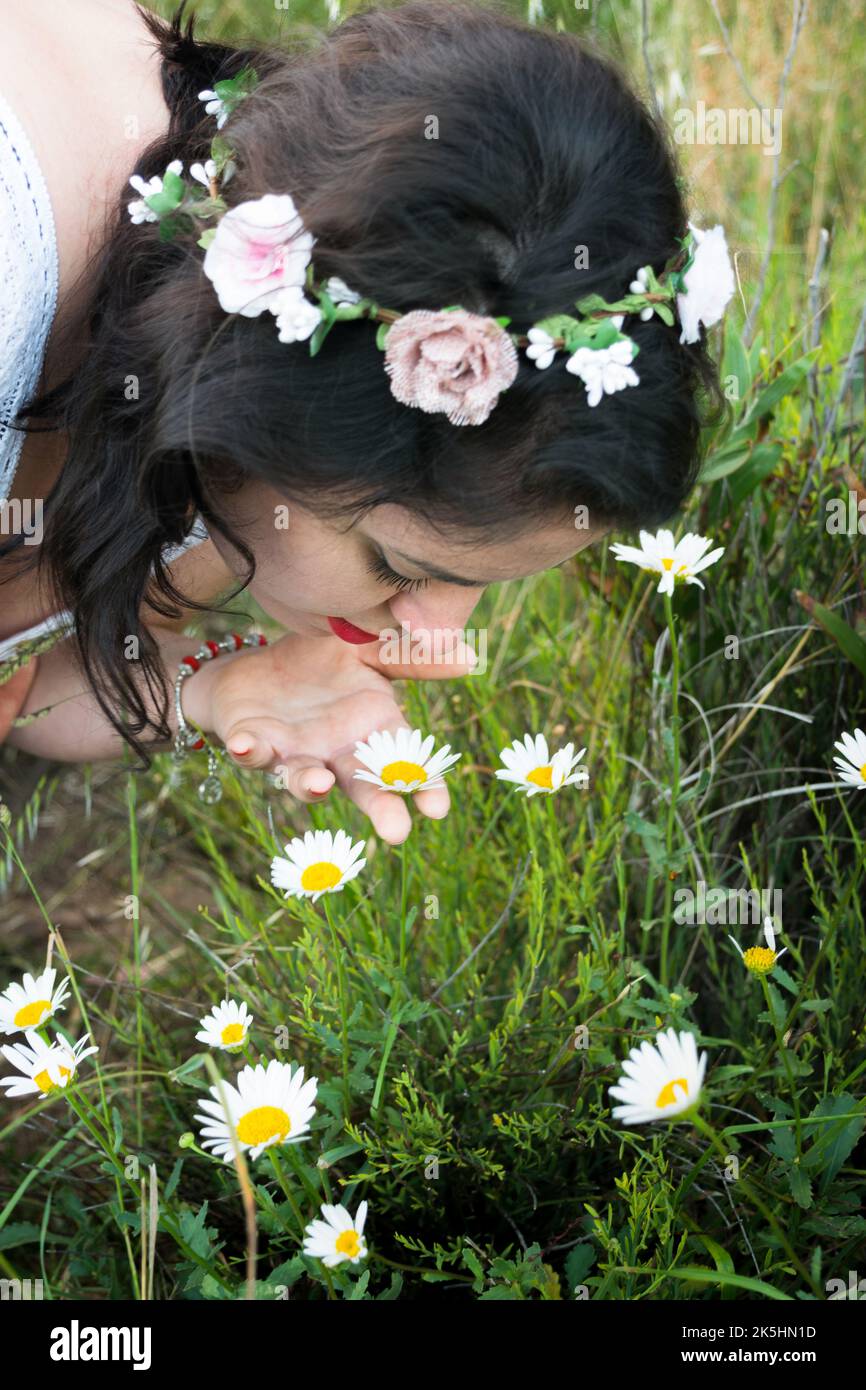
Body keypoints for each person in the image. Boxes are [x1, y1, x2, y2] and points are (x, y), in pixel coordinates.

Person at [0, 0, 723, 844]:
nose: (439, 643)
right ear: (266, 409)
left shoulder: (208, 420)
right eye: (398, 567)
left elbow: (33, 677)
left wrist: (213, 686)